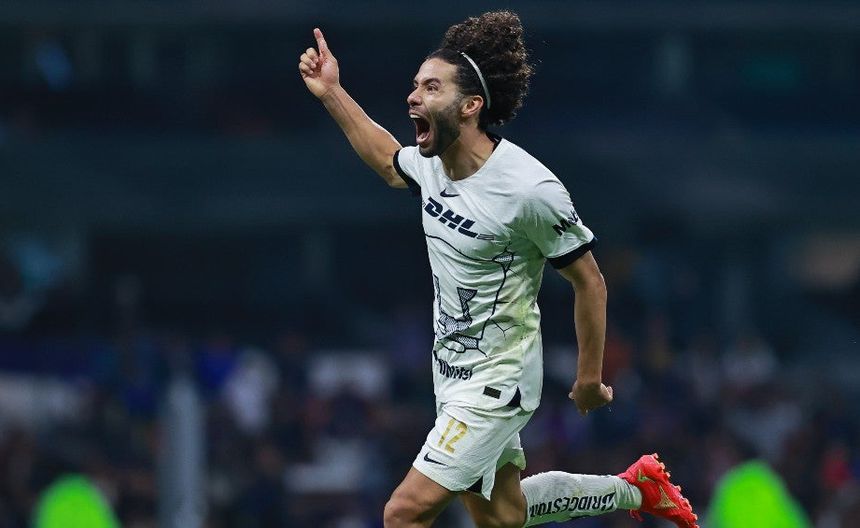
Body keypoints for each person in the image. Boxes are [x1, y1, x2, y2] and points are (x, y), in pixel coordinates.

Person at [299, 10, 698, 528]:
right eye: (415, 85)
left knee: (403, 513)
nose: (413, 97)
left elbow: (590, 282)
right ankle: (633, 489)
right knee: (502, 517)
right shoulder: (433, 165)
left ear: (470, 106)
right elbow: (387, 160)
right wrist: (332, 92)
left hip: (498, 383)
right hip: (451, 374)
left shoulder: (529, 190)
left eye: (431, 87)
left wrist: (589, 379)